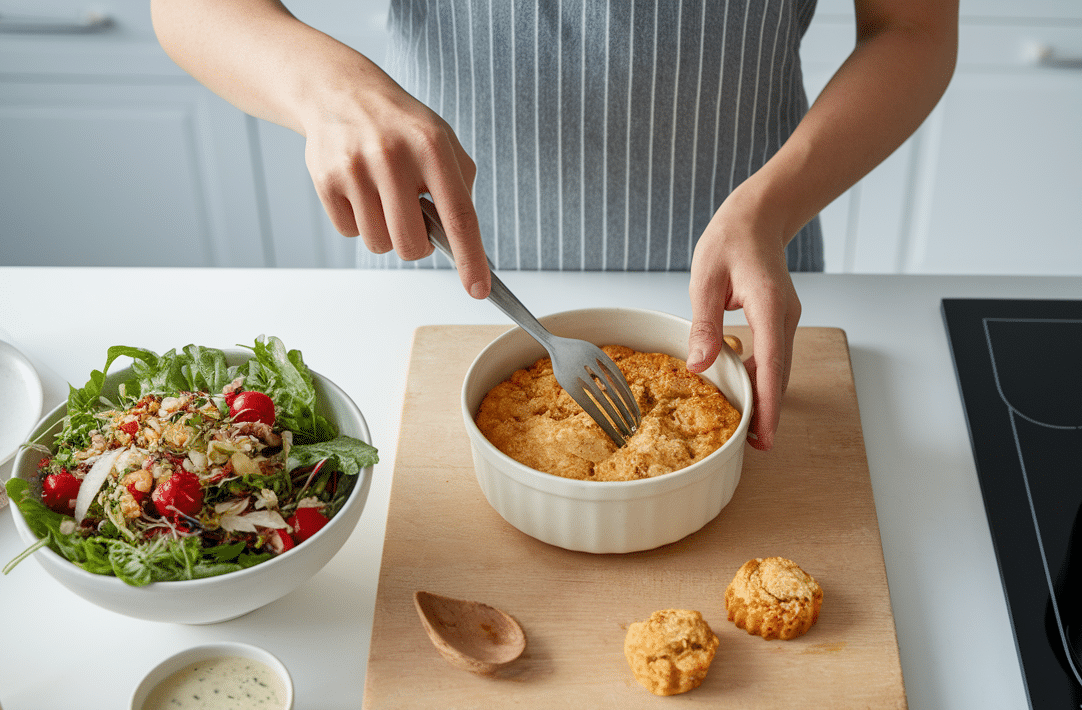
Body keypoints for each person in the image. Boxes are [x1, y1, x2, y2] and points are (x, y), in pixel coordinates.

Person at [150, 0, 958, 451]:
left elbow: (912, 27)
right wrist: (329, 88)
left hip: (742, 270)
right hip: (435, 268)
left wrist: (775, 203)